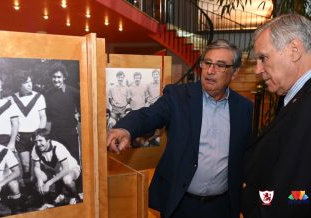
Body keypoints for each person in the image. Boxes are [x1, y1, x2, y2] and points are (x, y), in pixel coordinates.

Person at [107, 39, 253, 218]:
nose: (210, 71)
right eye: (207, 63)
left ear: (235, 72)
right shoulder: (178, 97)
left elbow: (246, 153)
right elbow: (149, 115)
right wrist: (126, 129)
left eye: (220, 65)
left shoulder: (244, 108)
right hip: (180, 204)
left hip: (221, 207)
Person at [242, 14, 311, 218]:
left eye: (263, 58)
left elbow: (297, 194)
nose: (257, 70)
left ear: (294, 50)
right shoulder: (295, 97)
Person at [12, 70, 47, 189]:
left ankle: (41, 189)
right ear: (19, 85)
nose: (29, 84)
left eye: (30, 81)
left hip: (36, 135)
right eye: (26, 82)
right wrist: (13, 132)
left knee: (38, 164)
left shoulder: (39, 96)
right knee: (26, 165)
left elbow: (43, 117)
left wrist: (40, 134)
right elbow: (10, 119)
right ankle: (29, 191)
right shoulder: (12, 98)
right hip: (21, 136)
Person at [31, 128, 81, 210]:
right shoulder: (36, 148)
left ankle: (74, 197)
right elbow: (36, 167)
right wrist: (40, 180)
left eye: (40, 141)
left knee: (67, 180)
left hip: (71, 168)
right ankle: (50, 200)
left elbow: (65, 169)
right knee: (37, 179)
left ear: (48, 140)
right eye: (36, 141)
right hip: (56, 170)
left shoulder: (57, 147)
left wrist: (48, 183)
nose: (38, 144)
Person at [45, 62, 81, 164]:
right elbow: (46, 115)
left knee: (74, 161)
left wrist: (79, 113)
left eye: (59, 77)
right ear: (51, 77)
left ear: (64, 77)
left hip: (70, 133)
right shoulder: (48, 94)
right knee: (58, 161)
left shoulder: (73, 92)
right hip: (55, 133)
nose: (56, 80)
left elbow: (84, 104)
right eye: (54, 77)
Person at [0, 126, 22, 217]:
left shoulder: (5, 150)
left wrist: (0, 184)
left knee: (14, 184)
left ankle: (16, 210)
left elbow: (17, 172)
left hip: (2, 184)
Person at [0, 74, 19, 152]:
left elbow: (15, 124)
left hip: (5, 140)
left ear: (1, 88)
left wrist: (12, 142)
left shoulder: (9, 103)